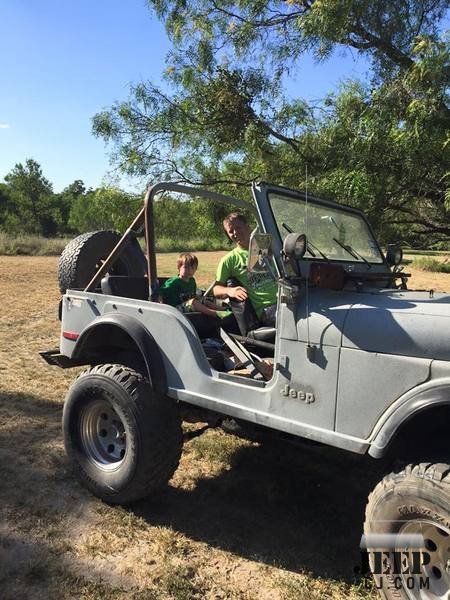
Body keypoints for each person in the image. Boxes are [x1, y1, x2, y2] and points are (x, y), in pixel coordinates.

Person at [213, 213, 278, 326]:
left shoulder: (265, 245)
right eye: (231, 231)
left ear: (248, 227)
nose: (235, 233)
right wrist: (230, 291)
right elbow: (216, 289)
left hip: (287, 300)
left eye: (238, 227)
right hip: (267, 310)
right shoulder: (229, 260)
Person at [160, 252, 221, 317]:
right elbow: (160, 293)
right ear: (179, 267)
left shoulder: (192, 281)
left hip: (188, 307)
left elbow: (193, 295)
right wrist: (161, 306)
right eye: (186, 267)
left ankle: (224, 310)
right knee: (193, 302)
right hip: (175, 310)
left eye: (192, 268)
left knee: (205, 301)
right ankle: (214, 313)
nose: (189, 270)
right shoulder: (174, 281)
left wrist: (200, 299)